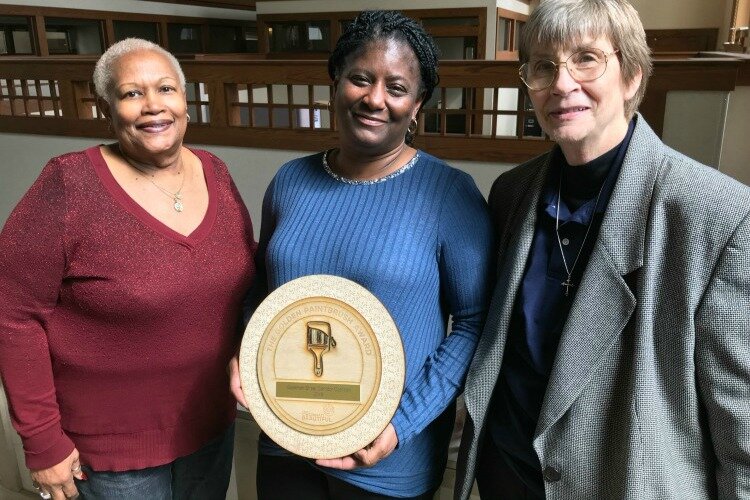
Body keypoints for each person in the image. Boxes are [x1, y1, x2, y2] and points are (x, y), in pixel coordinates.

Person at [454, 0, 750, 498]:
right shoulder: (512, 191)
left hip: (623, 480)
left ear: (631, 74)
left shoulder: (717, 214)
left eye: (586, 59)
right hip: (507, 473)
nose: (562, 83)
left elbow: (741, 424)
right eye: (544, 66)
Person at [228, 10, 493, 500]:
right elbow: (262, 293)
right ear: (335, 84)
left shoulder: (449, 195)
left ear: (417, 106)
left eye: (396, 88)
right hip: (286, 439)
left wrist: (400, 423)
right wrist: (246, 353)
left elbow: (476, 324)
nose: (375, 98)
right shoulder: (290, 182)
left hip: (390, 460)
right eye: (360, 79)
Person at [0, 38, 256, 500]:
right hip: (111, 450)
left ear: (185, 99)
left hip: (209, 424)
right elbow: (13, 315)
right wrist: (42, 441)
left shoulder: (214, 171)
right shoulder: (68, 184)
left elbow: (239, 269)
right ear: (106, 109)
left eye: (165, 89)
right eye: (131, 94)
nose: (153, 106)